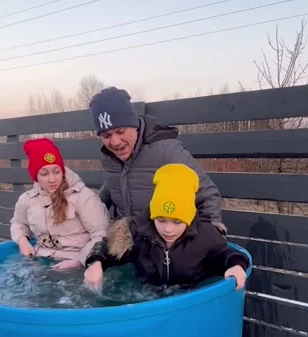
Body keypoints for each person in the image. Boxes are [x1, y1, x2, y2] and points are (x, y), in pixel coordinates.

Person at [84, 163, 251, 291]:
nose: (168, 229)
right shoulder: (137, 232)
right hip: (146, 296)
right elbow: (107, 249)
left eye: (177, 222)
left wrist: (236, 266)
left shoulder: (205, 236)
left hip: (190, 297)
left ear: (189, 218)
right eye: (161, 220)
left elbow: (226, 254)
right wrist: (96, 263)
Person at [90, 86, 225, 230]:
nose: (115, 142)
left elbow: (208, 196)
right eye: (106, 135)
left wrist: (209, 238)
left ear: (134, 125)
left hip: (163, 242)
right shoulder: (110, 158)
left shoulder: (167, 151)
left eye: (120, 131)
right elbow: (112, 187)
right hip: (124, 242)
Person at [10, 138, 109, 270]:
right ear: (35, 176)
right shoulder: (27, 199)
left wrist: (79, 261)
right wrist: (22, 240)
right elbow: (18, 223)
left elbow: (101, 234)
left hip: (78, 262)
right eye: (44, 174)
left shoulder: (83, 197)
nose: (52, 179)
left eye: (57, 172)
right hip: (41, 260)